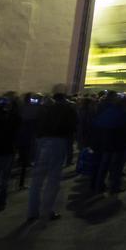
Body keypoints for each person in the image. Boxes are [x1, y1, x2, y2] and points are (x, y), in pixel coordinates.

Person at [27, 86, 77, 221]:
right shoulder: (67, 109)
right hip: (57, 142)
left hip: (41, 141)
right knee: (53, 179)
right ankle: (47, 211)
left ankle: (32, 212)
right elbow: (73, 127)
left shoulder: (43, 109)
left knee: (37, 179)